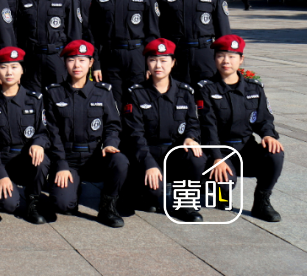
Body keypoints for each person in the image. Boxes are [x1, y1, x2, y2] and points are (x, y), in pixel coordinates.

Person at [197, 34, 283, 222]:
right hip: (219, 149)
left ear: (241, 59)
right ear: (214, 59)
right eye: (221, 56)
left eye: (231, 56)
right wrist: (217, 158)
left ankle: (262, 201)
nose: (226, 61)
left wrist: (268, 135)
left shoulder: (254, 88)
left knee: (275, 153)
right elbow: (208, 127)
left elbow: (264, 119)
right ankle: (219, 192)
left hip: (245, 148)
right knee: (225, 187)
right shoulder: (206, 89)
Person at [44, 40, 127, 228]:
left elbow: (113, 125)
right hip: (68, 158)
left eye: (82, 60)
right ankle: (73, 190)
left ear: (91, 63)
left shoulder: (103, 92)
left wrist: (110, 143)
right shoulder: (54, 93)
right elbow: (52, 132)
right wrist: (61, 164)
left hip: (95, 156)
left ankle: (108, 207)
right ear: (64, 62)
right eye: (71, 60)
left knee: (120, 161)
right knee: (63, 205)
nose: (77, 65)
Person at [122, 39, 204, 221]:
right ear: (147, 62)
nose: (158, 66)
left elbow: (193, 123)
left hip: (174, 154)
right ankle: (144, 194)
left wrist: (191, 137)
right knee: (153, 192)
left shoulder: (185, 92)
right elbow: (135, 134)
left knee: (196, 156)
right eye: (153, 60)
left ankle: (186, 204)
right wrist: (148, 163)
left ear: (173, 62)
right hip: (147, 153)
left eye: (163, 60)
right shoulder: (136, 93)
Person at [0, 46, 49, 224]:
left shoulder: (35, 99)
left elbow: (43, 131)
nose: (9, 72)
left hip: (24, 158)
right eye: (3, 67)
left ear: (22, 71)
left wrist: (38, 143)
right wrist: (1, 174)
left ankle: (33, 203)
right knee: (9, 204)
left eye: (14, 67)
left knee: (43, 160)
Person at [89, 0, 159, 107]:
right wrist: (96, 64)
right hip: (110, 57)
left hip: (137, 57)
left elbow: (152, 33)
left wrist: (151, 63)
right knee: (113, 105)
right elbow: (94, 33)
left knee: (138, 103)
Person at [14, 0, 83, 91]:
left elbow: (74, 33)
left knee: (58, 98)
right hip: (32, 59)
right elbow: (19, 33)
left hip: (57, 58)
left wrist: (74, 62)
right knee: (32, 100)